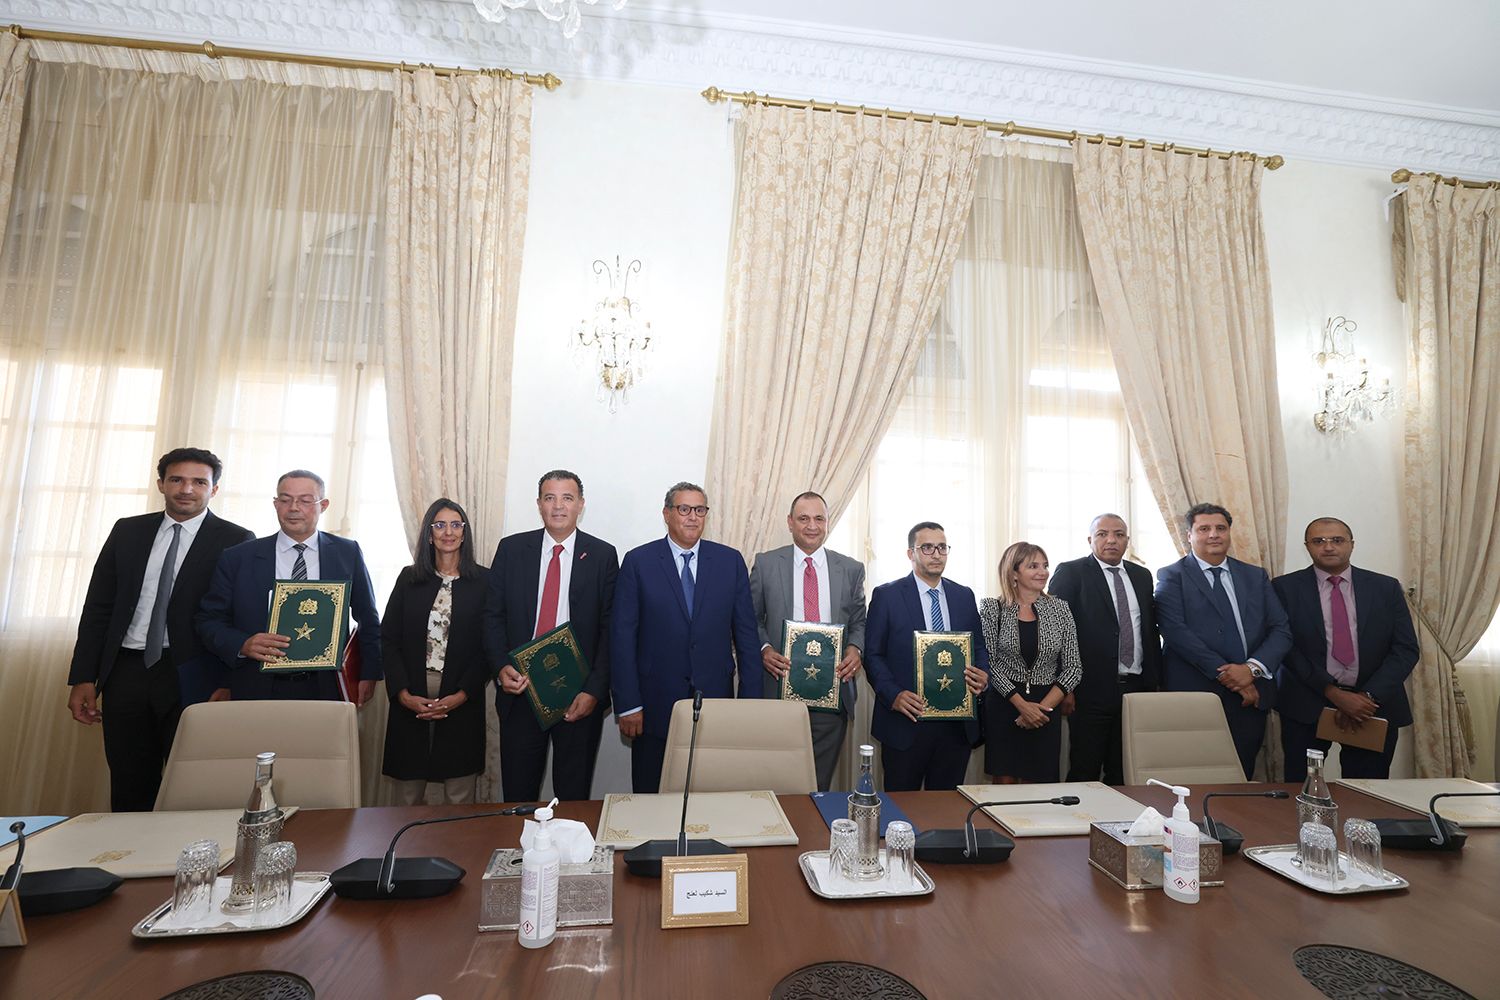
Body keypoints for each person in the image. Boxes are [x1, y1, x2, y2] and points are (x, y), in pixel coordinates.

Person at [66, 448, 254, 812]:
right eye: (177, 480)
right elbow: (98, 608)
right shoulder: (127, 531)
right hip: (126, 671)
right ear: (161, 484)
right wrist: (84, 677)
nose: (187, 489)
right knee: (129, 782)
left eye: (199, 482)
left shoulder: (236, 539)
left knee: (193, 786)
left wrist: (230, 681)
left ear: (214, 489)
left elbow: (239, 618)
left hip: (195, 674)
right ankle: (130, 848)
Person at [610, 481, 762, 793]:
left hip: (715, 705)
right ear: (667, 514)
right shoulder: (639, 562)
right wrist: (628, 704)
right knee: (651, 796)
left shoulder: (730, 561)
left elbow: (747, 636)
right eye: (684, 509)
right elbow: (622, 638)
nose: (693, 517)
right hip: (654, 705)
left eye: (700, 510)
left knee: (711, 796)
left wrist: (750, 704)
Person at [485, 470, 618, 802]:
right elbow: (492, 616)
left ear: (581, 505)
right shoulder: (512, 549)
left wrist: (593, 690)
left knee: (573, 797)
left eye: (567, 498)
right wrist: (501, 668)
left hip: (577, 695)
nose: (558, 506)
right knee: (518, 795)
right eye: (550, 498)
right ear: (539, 504)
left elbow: (610, 630)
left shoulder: (602, 555)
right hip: (521, 689)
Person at [196, 469, 382, 702]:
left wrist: (369, 673)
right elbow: (209, 620)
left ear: (323, 505)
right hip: (256, 683)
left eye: (305, 500)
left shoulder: (347, 552)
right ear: (276, 504)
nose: (294, 508)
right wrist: (242, 644)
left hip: (327, 685)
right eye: (285, 500)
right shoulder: (238, 557)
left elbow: (368, 617)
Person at [1273, 517, 1420, 780]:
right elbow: (1286, 648)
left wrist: (1367, 697)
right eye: (1319, 541)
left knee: (1366, 790)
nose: (1328, 546)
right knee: (1303, 787)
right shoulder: (1284, 588)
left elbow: (1405, 649)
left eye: (1337, 540)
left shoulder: (1385, 588)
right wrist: (1333, 693)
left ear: (1352, 544)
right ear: (1307, 546)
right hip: (1307, 704)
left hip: (1372, 707)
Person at [1155, 502, 1291, 779]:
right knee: (1194, 776)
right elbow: (1175, 632)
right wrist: (1231, 676)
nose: (1213, 534)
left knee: (1241, 774)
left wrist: (1251, 670)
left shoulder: (1255, 576)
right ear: (1189, 535)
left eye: (1220, 528)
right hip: (1196, 693)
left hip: (1250, 695)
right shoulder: (1172, 576)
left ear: (1229, 532)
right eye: (1204, 529)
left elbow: (1281, 629)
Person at [750, 491, 867, 791]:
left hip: (832, 694)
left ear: (827, 522)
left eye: (819, 518)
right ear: (790, 522)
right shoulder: (766, 564)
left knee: (818, 784)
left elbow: (859, 621)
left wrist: (855, 648)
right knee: (775, 782)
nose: (812, 526)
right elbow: (751, 619)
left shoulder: (851, 569)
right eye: (803, 518)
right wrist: (764, 649)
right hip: (779, 691)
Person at [865, 522, 989, 791]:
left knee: (946, 806)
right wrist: (894, 695)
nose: (936, 554)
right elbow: (873, 655)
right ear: (911, 553)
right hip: (906, 720)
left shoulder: (963, 596)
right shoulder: (887, 595)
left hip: (955, 725)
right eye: (928, 547)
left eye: (942, 547)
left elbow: (979, 647)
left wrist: (983, 674)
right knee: (901, 805)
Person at [381, 498, 488, 804]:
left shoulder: (485, 582)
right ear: (429, 535)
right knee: (407, 795)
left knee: (459, 795)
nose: (448, 532)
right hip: (411, 693)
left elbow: (488, 647)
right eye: (439, 525)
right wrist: (403, 694)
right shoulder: (409, 579)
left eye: (456, 525)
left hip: (461, 696)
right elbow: (388, 639)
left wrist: (462, 694)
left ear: (464, 534)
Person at [1048, 513, 1162, 784]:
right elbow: (1056, 632)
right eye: (1102, 534)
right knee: (1085, 769)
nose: (1111, 540)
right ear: (1090, 540)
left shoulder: (1142, 576)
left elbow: (1148, 629)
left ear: (1127, 540)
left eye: (1119, 534)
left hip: (1136, 689)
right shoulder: (1071, 572)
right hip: (1089, 690)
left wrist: (1155, 682)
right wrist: (1065, 687)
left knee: (1125, 771)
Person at [979, 542, 1083, 784]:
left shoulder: (1060, 609)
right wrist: (1022, 706)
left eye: (1045, 565)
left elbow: (1073, 667)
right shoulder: (992, 608)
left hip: (1047, 706)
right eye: (1033, 566)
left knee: (1040, 789)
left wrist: (1041, 710)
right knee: (1004, 788)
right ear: (1014, 572)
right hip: (1005, 705)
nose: (1043, 572)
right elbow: (989, 663)